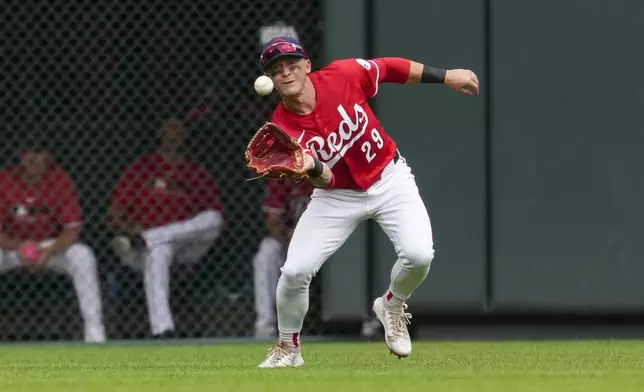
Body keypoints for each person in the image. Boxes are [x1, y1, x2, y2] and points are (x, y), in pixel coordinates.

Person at [254, 37, 479, 368]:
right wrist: (312, 166)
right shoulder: (284, 130)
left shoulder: (342, 75)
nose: (285, 72)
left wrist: (446, 76)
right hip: (336, 197)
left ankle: (391, 305)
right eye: (277, 69)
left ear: (306, 66)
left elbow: (390, 68)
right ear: (271, 80)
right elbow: (326, 180)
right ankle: (288, 348)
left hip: (390, 178)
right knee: (295, 271)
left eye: (291, 64)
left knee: (419, 255)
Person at [108, 118, 225, 338]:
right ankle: (162, 328)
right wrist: (133, 231)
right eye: (169, 127)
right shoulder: (141, 168)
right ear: (160, 132)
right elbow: (114, 217)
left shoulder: (195, 172)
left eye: (179, 129)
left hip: (184, 246)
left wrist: (154, 236)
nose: (174, 133)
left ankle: (153, 237)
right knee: (160, 251)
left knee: (213, 218)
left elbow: (212, 218)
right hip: (138, 249)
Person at [0, 133, 106, 343]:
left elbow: (72, 231)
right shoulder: (4, 179)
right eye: (27, 152)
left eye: (39, 153)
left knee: (83, 255)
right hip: (12, 247)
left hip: (50, 246)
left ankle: (95, 336)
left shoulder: (60, 179)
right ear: (20, 155)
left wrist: (50, 250)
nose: (33, 158)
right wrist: (19, 246)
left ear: (49, 156)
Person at [253, 178, 313, 338]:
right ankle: (265, 326)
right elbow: (273, 222)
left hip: (325, 245)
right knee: (266, 252)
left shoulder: (329, 174)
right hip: (289, 244)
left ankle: (365, 323)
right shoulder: (281, 177)